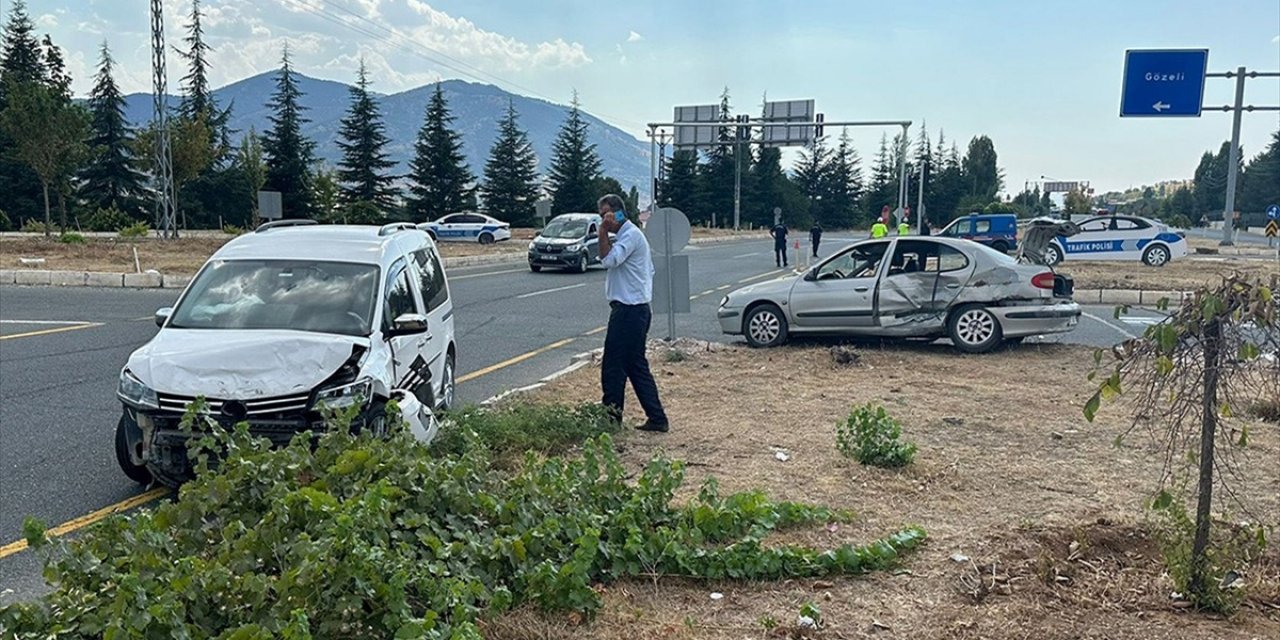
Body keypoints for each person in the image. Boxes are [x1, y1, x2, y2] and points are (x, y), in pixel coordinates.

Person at [596, 194, 668, 433]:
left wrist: (602, 233)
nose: (602, 219)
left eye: (605, 213)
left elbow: (609, 260)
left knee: (613, 367)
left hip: (629, 311)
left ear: (617, 213)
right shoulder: (631, 236)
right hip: (635, 310)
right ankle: (657, 418)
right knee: (635, 366)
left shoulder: (630, 236)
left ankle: (611, 420)